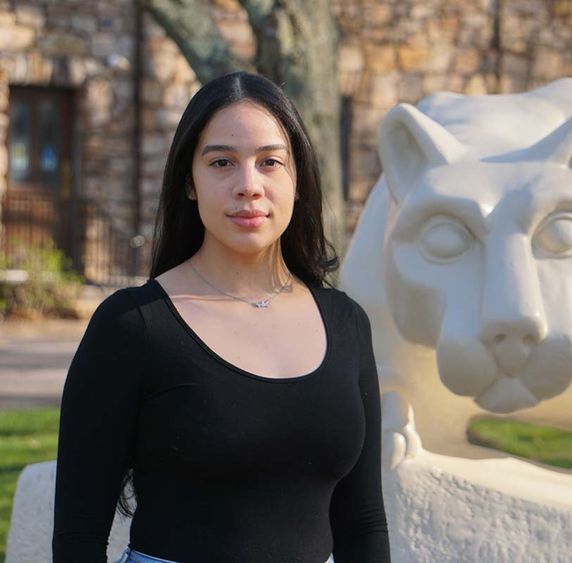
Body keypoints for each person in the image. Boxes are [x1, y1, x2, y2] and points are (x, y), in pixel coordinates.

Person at [52, 71, 390, 563]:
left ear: (298, 180)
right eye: (222, 162)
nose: (248, 186)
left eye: (270, 162)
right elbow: (78, 537)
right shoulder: (133, 326)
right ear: (189, 181)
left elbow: (363, 524)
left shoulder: (347, 324)